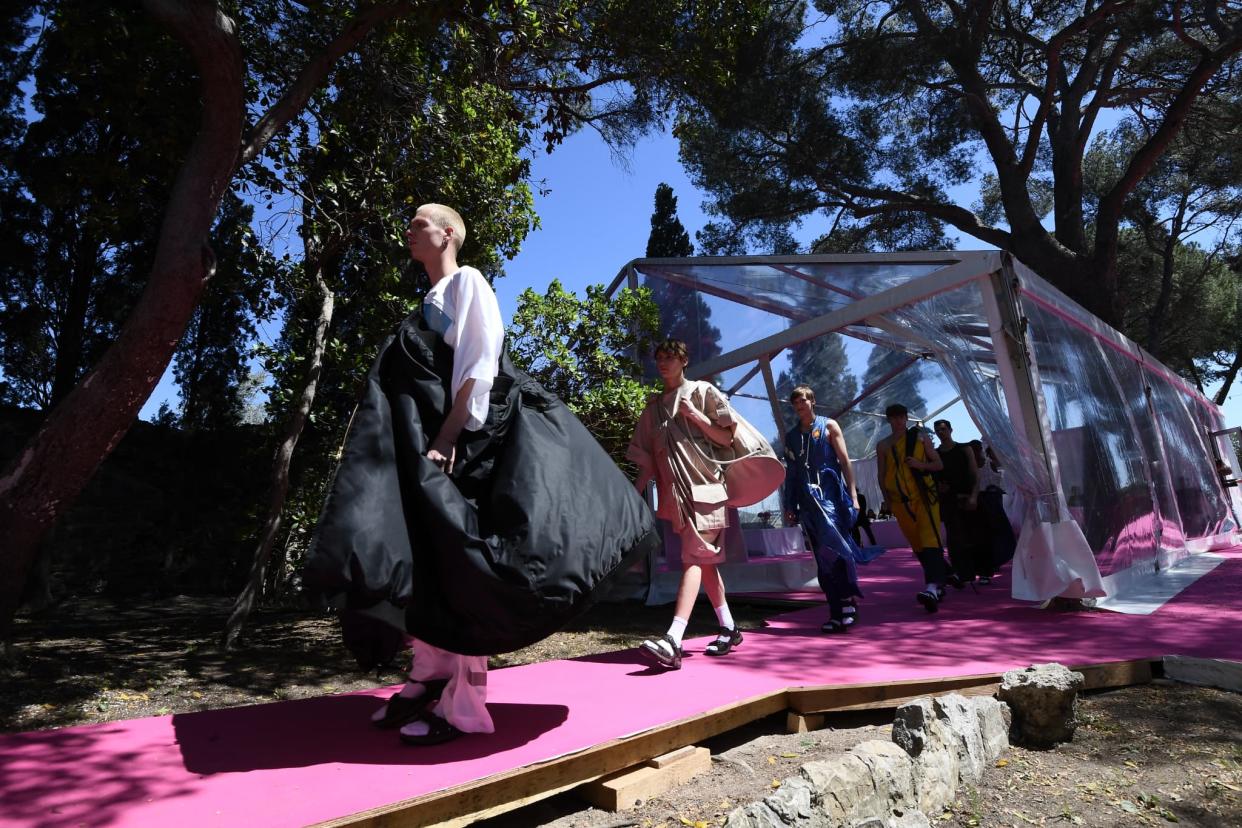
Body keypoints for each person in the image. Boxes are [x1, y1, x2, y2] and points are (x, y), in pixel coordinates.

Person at [304, 204, 658, 745]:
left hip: (467, 446)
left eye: (419, 223)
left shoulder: (467, 282)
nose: (408, 229)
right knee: (434, 564)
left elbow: (480, 363)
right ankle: (427, 678)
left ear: (447, 234)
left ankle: (465, 706)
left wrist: (448, 438)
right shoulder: (427, 300)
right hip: (433, 448)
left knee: (468, 568)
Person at [628, 339, 748, 669]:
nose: (663, 363)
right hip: (676, 498)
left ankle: (673, 639)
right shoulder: (652, 410)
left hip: (707, 490)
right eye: (659, 357)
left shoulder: (702, 392)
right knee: (704, 561)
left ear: (684, 360)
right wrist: (633, 496)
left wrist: (695, 417)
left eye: (670, 357)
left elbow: (726, 438)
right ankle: (729, 627)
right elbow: (648, 462)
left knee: (693, 557)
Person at [781, 385, 869, 632]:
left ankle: (848, 602)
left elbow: (844, 460)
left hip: (831, 499)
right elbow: (792, 473)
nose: (800, 405)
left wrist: (853, 495)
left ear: (813, 402)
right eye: (796, 402)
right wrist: (790, 504)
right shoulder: (791, 436)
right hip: (808, 505)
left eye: (804, 400)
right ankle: (835, 610)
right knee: (822, 558)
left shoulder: (829, 426)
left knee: (838, 550)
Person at [875, 404, 951, 612]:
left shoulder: (920, 437)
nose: (898, 421)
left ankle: (932, 587)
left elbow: (938, 464)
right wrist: (886, 499)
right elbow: (881, 475)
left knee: (929, 538)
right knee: (918, 544)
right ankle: (942, 577)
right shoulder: (882, 446)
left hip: (924, 496)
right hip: (899, 501)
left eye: (901, 417)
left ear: (906, 418)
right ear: (889, 420)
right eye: (894, 417)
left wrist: (920, 465)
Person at [932, 419, 988, 587]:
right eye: (938, 430)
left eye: (943, 429)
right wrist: (938, 488)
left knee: (976, 537)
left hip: (967, 498)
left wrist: (973, 496)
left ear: (950, 429)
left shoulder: (965, 449)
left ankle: (983, 572)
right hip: (949, 502)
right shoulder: (935, 454)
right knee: (955, 541)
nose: (941, 432)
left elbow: (975, 475)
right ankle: (961, 574)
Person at [971, 440, 1016, 581]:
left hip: (993, 503)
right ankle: (988, 564)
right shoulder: (974, 466)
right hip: (984, 503)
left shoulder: (989, 464)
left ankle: (992, 562)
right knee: (988, 536)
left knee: (995, 535)